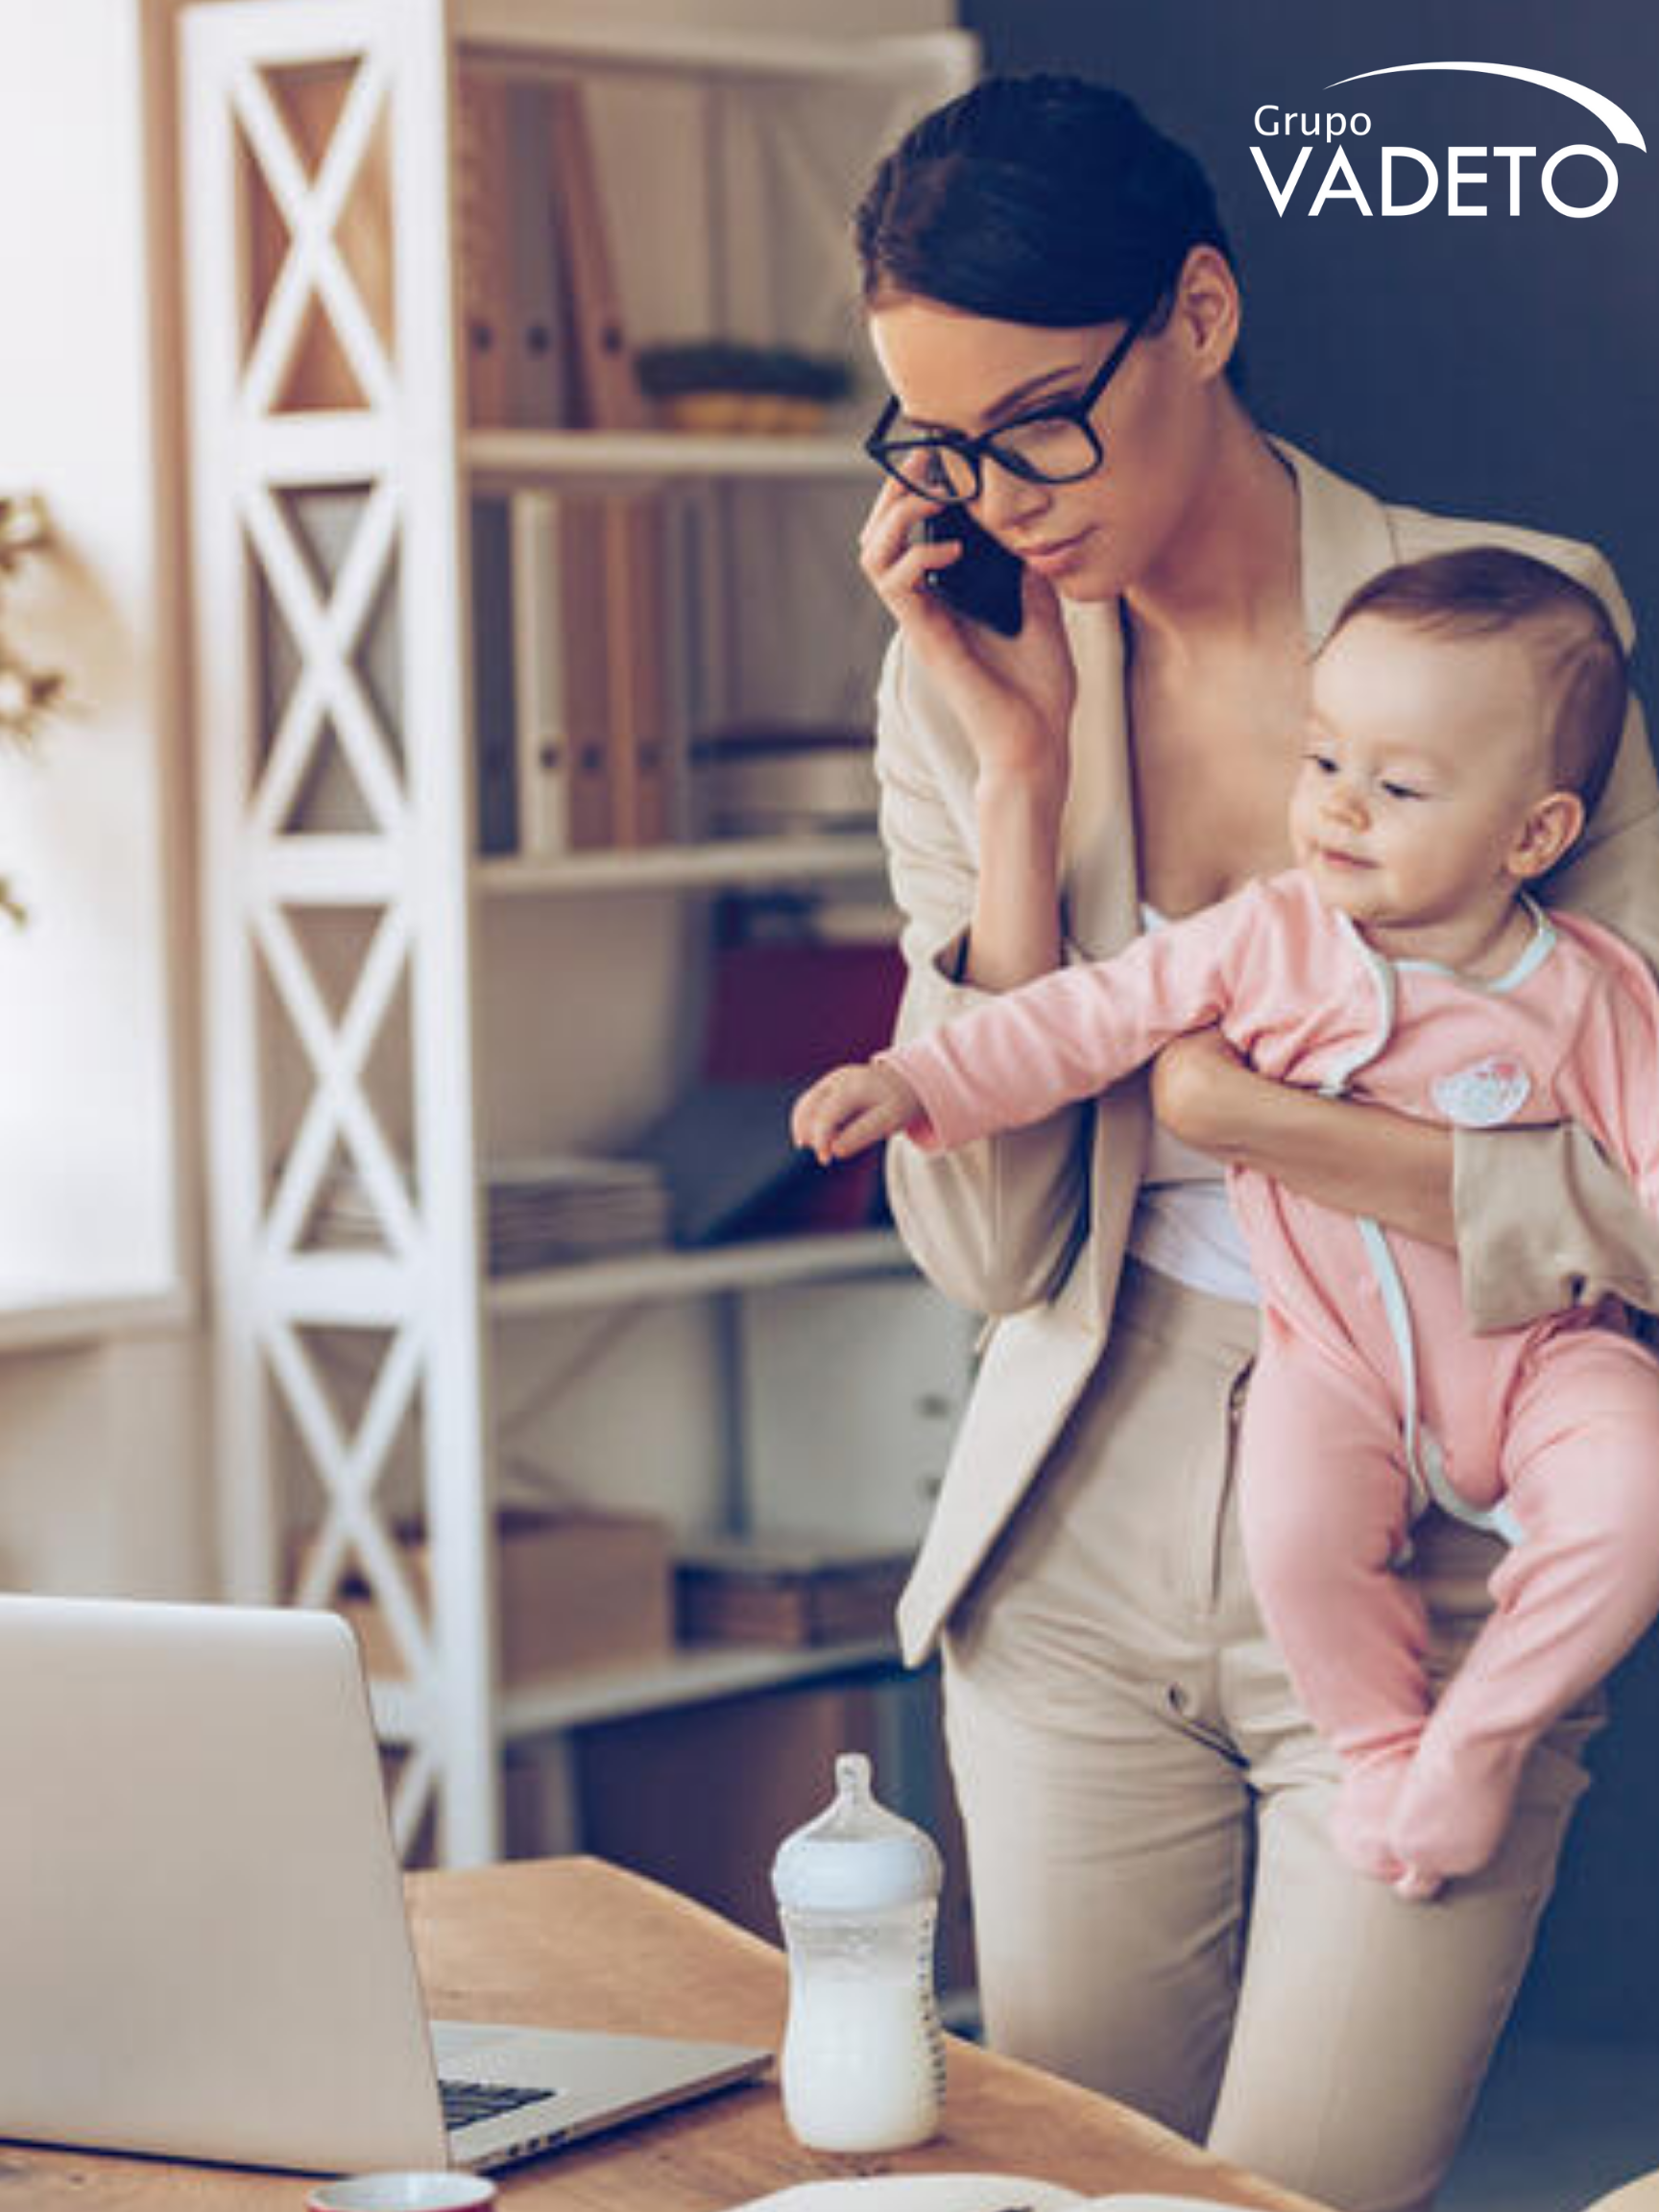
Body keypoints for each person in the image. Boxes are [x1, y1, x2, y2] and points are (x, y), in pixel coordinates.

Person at [840, 72, 1659, 2212]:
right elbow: (996, 1258)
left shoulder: (1516, 631)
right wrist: (1014, 793)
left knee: (1301, 2199)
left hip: (1431, 1543)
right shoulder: (956, 681)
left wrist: (1239, 1118)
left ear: (1199, 314)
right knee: (1075, 2199)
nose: (996, 497)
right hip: (1078, 1540)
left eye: (1040, 422)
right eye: (934, 443)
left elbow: (1638, 1205)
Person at [795, 543, 1659, 1907]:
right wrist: (915, 1080)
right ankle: (1382, 1748)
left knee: (1637, 1500)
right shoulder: (1267, 937)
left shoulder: (1587, 991)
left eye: (1400, 786)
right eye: (1323, 763)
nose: (1339, 811)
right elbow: (1086, 1019)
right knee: (1297, 1528)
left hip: (1547, 1354)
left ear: (1534, 836)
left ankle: (1480, 1737)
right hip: (1333, 1364)